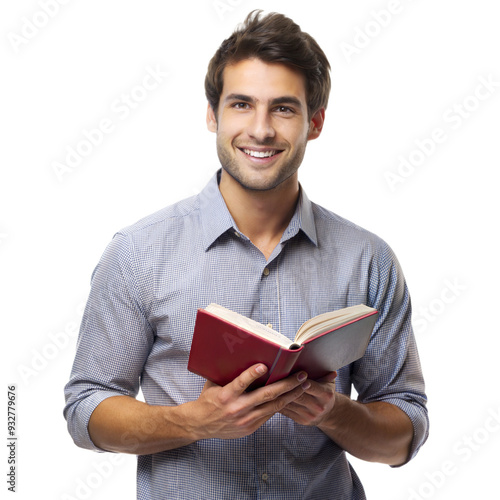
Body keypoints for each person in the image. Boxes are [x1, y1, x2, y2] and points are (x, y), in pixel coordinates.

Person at [64, 10, 428, 500]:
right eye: (241, 104)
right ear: (213, 115)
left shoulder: (368, 260)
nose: (260, 130)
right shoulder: (138, 253)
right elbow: (86, 410)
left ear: (313, 122)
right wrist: (195, 421)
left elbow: (404, 430)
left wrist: (334, 411)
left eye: (283, 108)